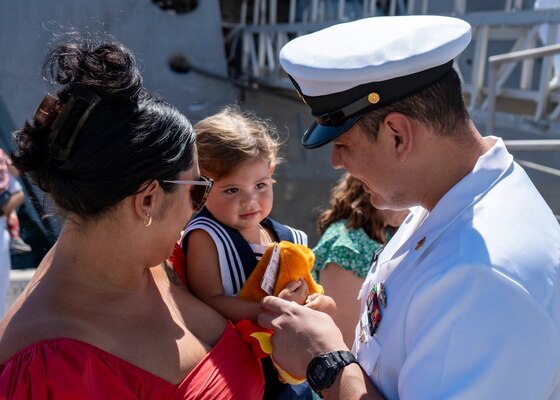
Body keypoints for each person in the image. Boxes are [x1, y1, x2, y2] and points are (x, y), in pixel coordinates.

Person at [257, 15, 560, 399]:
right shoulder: (444, 200)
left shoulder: (480, 277)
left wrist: (325, 361)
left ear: (398, 135)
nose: (336, 162)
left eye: (343, 144)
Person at [0, 35, 265, 399]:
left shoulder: (159, 260)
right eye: (197, 189)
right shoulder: (51, 366)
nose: (198, 208)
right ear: (148, 200)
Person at [175, 105, 334, 399]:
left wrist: (316, 304)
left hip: (292, 373)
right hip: (241, 374)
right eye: (232, 190)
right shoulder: (206, 236)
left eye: (260, 185)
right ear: (201, 187)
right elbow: (207, 301)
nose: (250, 201)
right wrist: (272, 311)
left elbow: (310, 290)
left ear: (271, 173)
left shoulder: (291, 238)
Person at [313, 173, 408, 348]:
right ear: (371, 188)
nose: (412, 205)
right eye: (406, 186)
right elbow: (346, 339)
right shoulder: (345, 247)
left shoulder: (387, 230)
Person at [0, 148, 32, 255]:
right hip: (3, 194)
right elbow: (15, 172)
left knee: (12, 208)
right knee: (16, 198)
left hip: (5, 197)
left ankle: (15, 238)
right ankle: (15, 238)